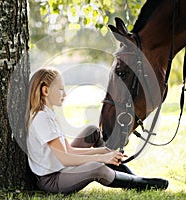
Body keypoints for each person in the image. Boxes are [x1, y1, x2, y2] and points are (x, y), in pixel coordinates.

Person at [25, 67, 169, 194]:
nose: (65, 94)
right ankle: (139, 183)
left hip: (61, 168)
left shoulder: (48, 114)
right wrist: (101, 158)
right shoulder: (42, 119)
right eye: (61, 89)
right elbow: (66, 158)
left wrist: (103, 151)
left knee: (92, 131)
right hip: (53, 179)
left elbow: (68, 150)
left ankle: (132, 177)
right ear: (45, 90)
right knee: (96, 168)